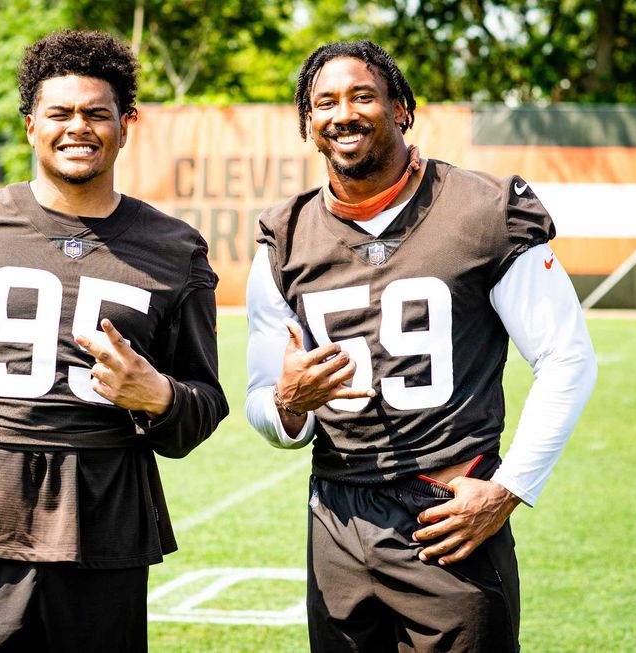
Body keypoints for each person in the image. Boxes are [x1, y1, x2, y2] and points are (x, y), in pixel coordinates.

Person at [0, 29, 227, 652]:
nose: (78, 127)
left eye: (96, 113)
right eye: (60, 113)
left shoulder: (174, 250)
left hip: (105, 531)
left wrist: (159, 397)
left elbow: (202, 408)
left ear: (126, 125)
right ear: (31, 126)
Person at [245, 40, 597, 652]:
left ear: (403, 109)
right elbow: (262, 402)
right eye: (324, 102)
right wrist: (288, 402)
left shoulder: (483, 210)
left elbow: (566, 357)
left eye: (362, 96)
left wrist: (508, 489)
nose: (343, 114)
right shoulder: (285, 237)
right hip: (336, 513)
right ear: (308, 125)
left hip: (448, 507)